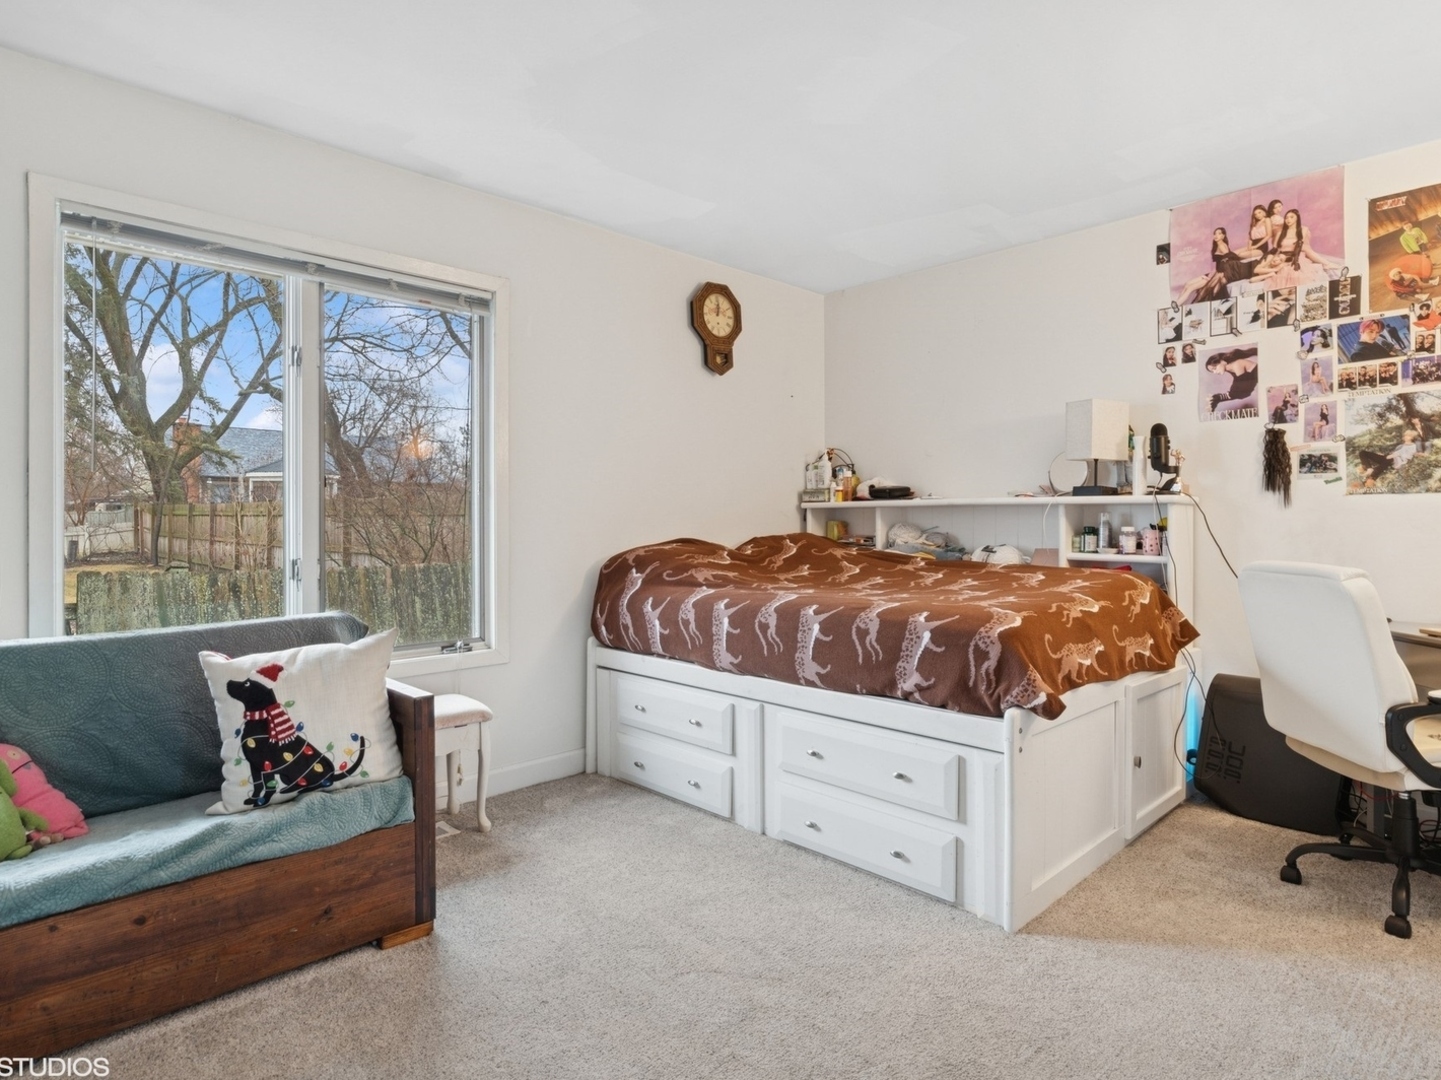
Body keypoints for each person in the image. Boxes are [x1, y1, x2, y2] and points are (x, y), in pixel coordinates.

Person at [1205, 349, 1259, 414]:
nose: (1215, 372)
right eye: (1212, 371)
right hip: (1255, 380)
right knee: (1239, 393)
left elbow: (1242, 389)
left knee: (1242, 393)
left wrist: (1221, 397)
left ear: (1222, 361)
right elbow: (1237, 387)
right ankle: (1217, 398)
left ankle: (1217, 398)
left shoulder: (1236, 364)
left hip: (1265, 376)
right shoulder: (1229, 368)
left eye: (1214, 368)